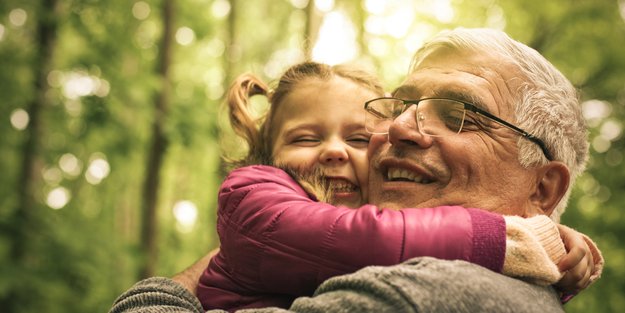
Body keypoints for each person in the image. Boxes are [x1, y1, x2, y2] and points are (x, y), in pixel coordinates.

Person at [109, 28, 603, 313]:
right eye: (398, 108)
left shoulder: (426, 294)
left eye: (457, 114)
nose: (401, 130)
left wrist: (161, 293)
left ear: (543, 189)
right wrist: (529, 241)